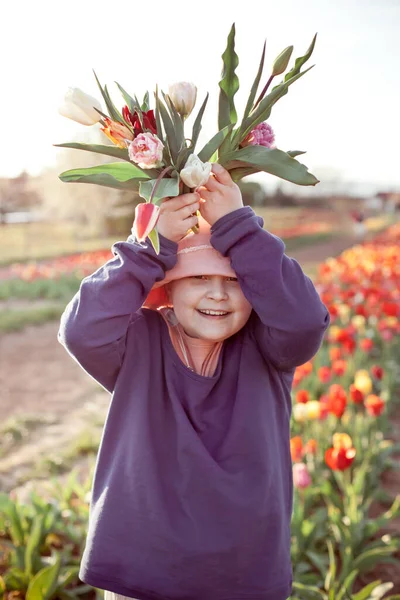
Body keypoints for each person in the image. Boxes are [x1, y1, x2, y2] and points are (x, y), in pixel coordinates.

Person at [58, 163, 330, 600]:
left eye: (235, 282)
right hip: (142, 566)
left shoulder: (267, 349)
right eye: (199, 277)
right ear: (168, 287)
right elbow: (81, 330)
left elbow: (304, 323)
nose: (218, 295)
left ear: (255, 292)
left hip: (240, 572)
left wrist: (239, 230)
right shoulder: (139, 344)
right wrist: (148, 245)